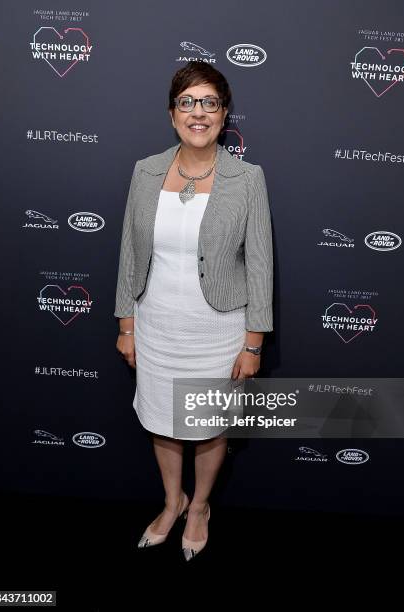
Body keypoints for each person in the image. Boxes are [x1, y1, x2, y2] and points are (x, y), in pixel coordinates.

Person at [114, 60, 273, 561]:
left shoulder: (247, 179)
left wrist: (254, 342)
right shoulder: (145, 171)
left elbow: (261, 264)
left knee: (207, 427)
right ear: (172, 113)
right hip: (156, 323)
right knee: (163, 421)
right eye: (188, 102)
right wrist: (126, 325)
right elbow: (129, 254)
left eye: (209, 103)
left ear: (224, 115)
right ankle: (171, 502)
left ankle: (199, 506)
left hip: (219, 329)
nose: (198, 113)